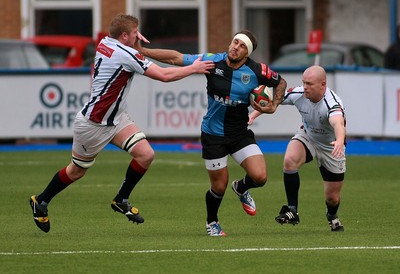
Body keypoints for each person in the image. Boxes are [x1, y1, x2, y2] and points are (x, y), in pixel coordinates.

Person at [29, 13, 214, 233]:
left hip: (115, 119)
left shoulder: (105, 42)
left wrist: (132, 37)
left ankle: (121, 199)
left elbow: (121, 36)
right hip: (93, 125)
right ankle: (40, 201)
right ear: (125, 36)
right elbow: (164, 76)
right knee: (76, 171)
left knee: (146, 154)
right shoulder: (125, 54)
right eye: (135, 33)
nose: (138, 36)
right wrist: (193, 69)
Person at [135, 30, 287, 236]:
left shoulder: (257, 70)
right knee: (219, 186)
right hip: (213, 135)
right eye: (235, 42)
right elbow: (176, 57)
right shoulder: (212, 61)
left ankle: (241, 188)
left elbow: (280, 83)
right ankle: (212, 222)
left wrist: (274, 105)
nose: (235, 47)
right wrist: (142, 51)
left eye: (242, 46)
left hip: (240, 134)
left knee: (260, 177)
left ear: (247, 53)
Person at [249, 65, 346, 231]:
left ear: (323, 84)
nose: (305, 87)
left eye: (309, 84)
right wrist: (252, 116)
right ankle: (292, 210)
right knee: (289, 160)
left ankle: (332, 216)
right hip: (308, 136)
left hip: (331, 146)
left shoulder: (332, 103)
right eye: (304, 82)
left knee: (332, 198)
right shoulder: (299, 93)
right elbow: (274, 100)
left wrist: (339, 140)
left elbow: (338, 123)